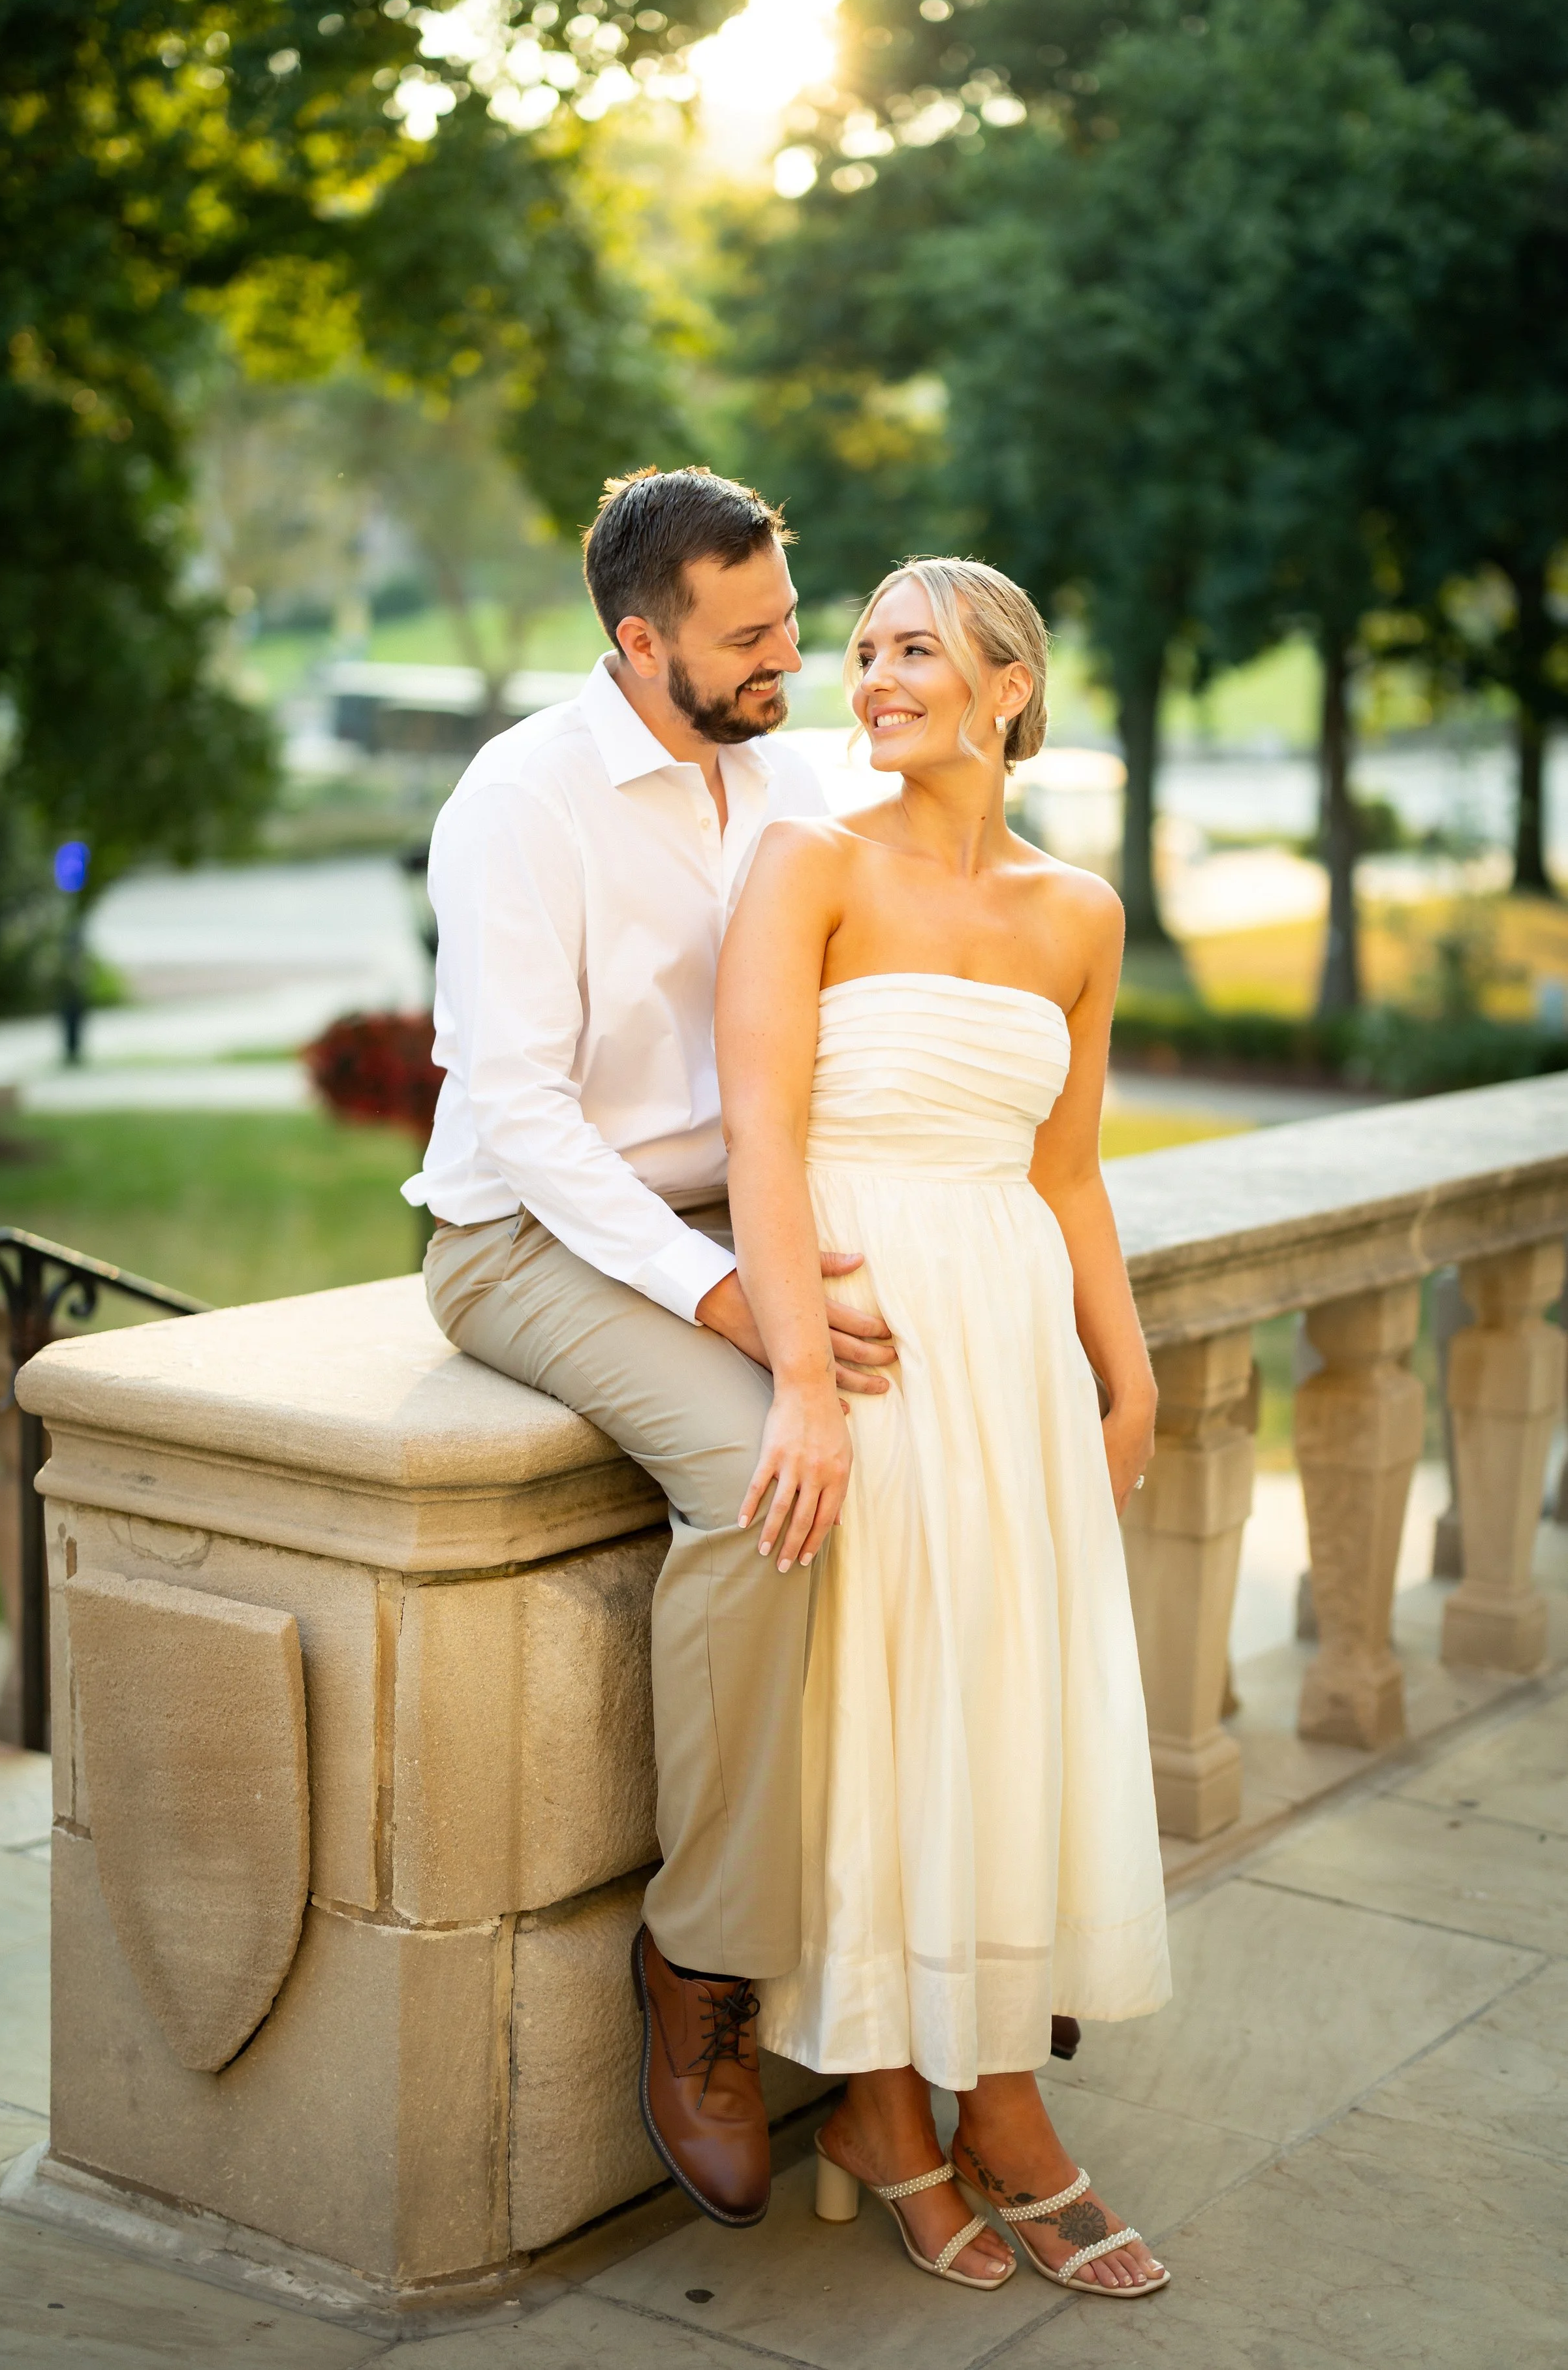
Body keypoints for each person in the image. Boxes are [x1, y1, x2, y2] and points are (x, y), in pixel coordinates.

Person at [411, 466, 897, 2232]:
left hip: (737, 1215)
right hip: (526, 1237)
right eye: (751, 633)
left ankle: (909, 1924)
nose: (793, 655)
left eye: (790, 614)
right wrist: (736, 1309)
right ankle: (697, 1967)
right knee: (759, 1471)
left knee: (935, 1426)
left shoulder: (792, 768)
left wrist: (815, 1259)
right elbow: (520, 1114)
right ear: (639, 639)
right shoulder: (520, 798)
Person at [715, 556, 1172, 2298]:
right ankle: (887, 2108)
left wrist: (1122, 1375)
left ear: (1003, 681)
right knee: (884, 1708)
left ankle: (1000, 2095)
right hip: (873, 1328)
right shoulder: (809, 861)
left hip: (1013, 1341)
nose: (874, 675)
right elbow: (760, 1132)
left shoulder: (1080, 913)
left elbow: (1064, 1172)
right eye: (863, 650)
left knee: (1005, 1704)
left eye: (913, 648)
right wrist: (805, 1383)